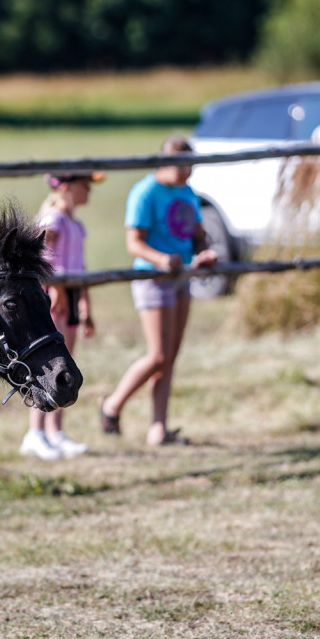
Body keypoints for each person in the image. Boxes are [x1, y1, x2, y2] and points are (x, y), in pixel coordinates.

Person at [99, 134, 217, 446]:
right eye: (180, 168)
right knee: (158, 355)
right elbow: (133, 242)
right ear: (164, 163)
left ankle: (159, 428)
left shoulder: (188, 192)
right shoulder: (145, 193)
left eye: (189, 168)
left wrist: (204, 252)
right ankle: (112, 405)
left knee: (170, 357)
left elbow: (197, 234)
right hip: (153, 279)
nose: (185, 174)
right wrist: (162, 259)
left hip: (182, 279)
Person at [18, 171, 100, 460]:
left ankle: (55, 430)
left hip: (71, 293)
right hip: (55, 296)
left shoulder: (74, 222)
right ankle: (35, 432)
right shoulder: (53, 218)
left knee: (65, 367)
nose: (89, 190)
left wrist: (86, 303)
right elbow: (43, 256)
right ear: (65, 187)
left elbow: (81, 265)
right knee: (48, 366)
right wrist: (58, 290)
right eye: (84, 185)